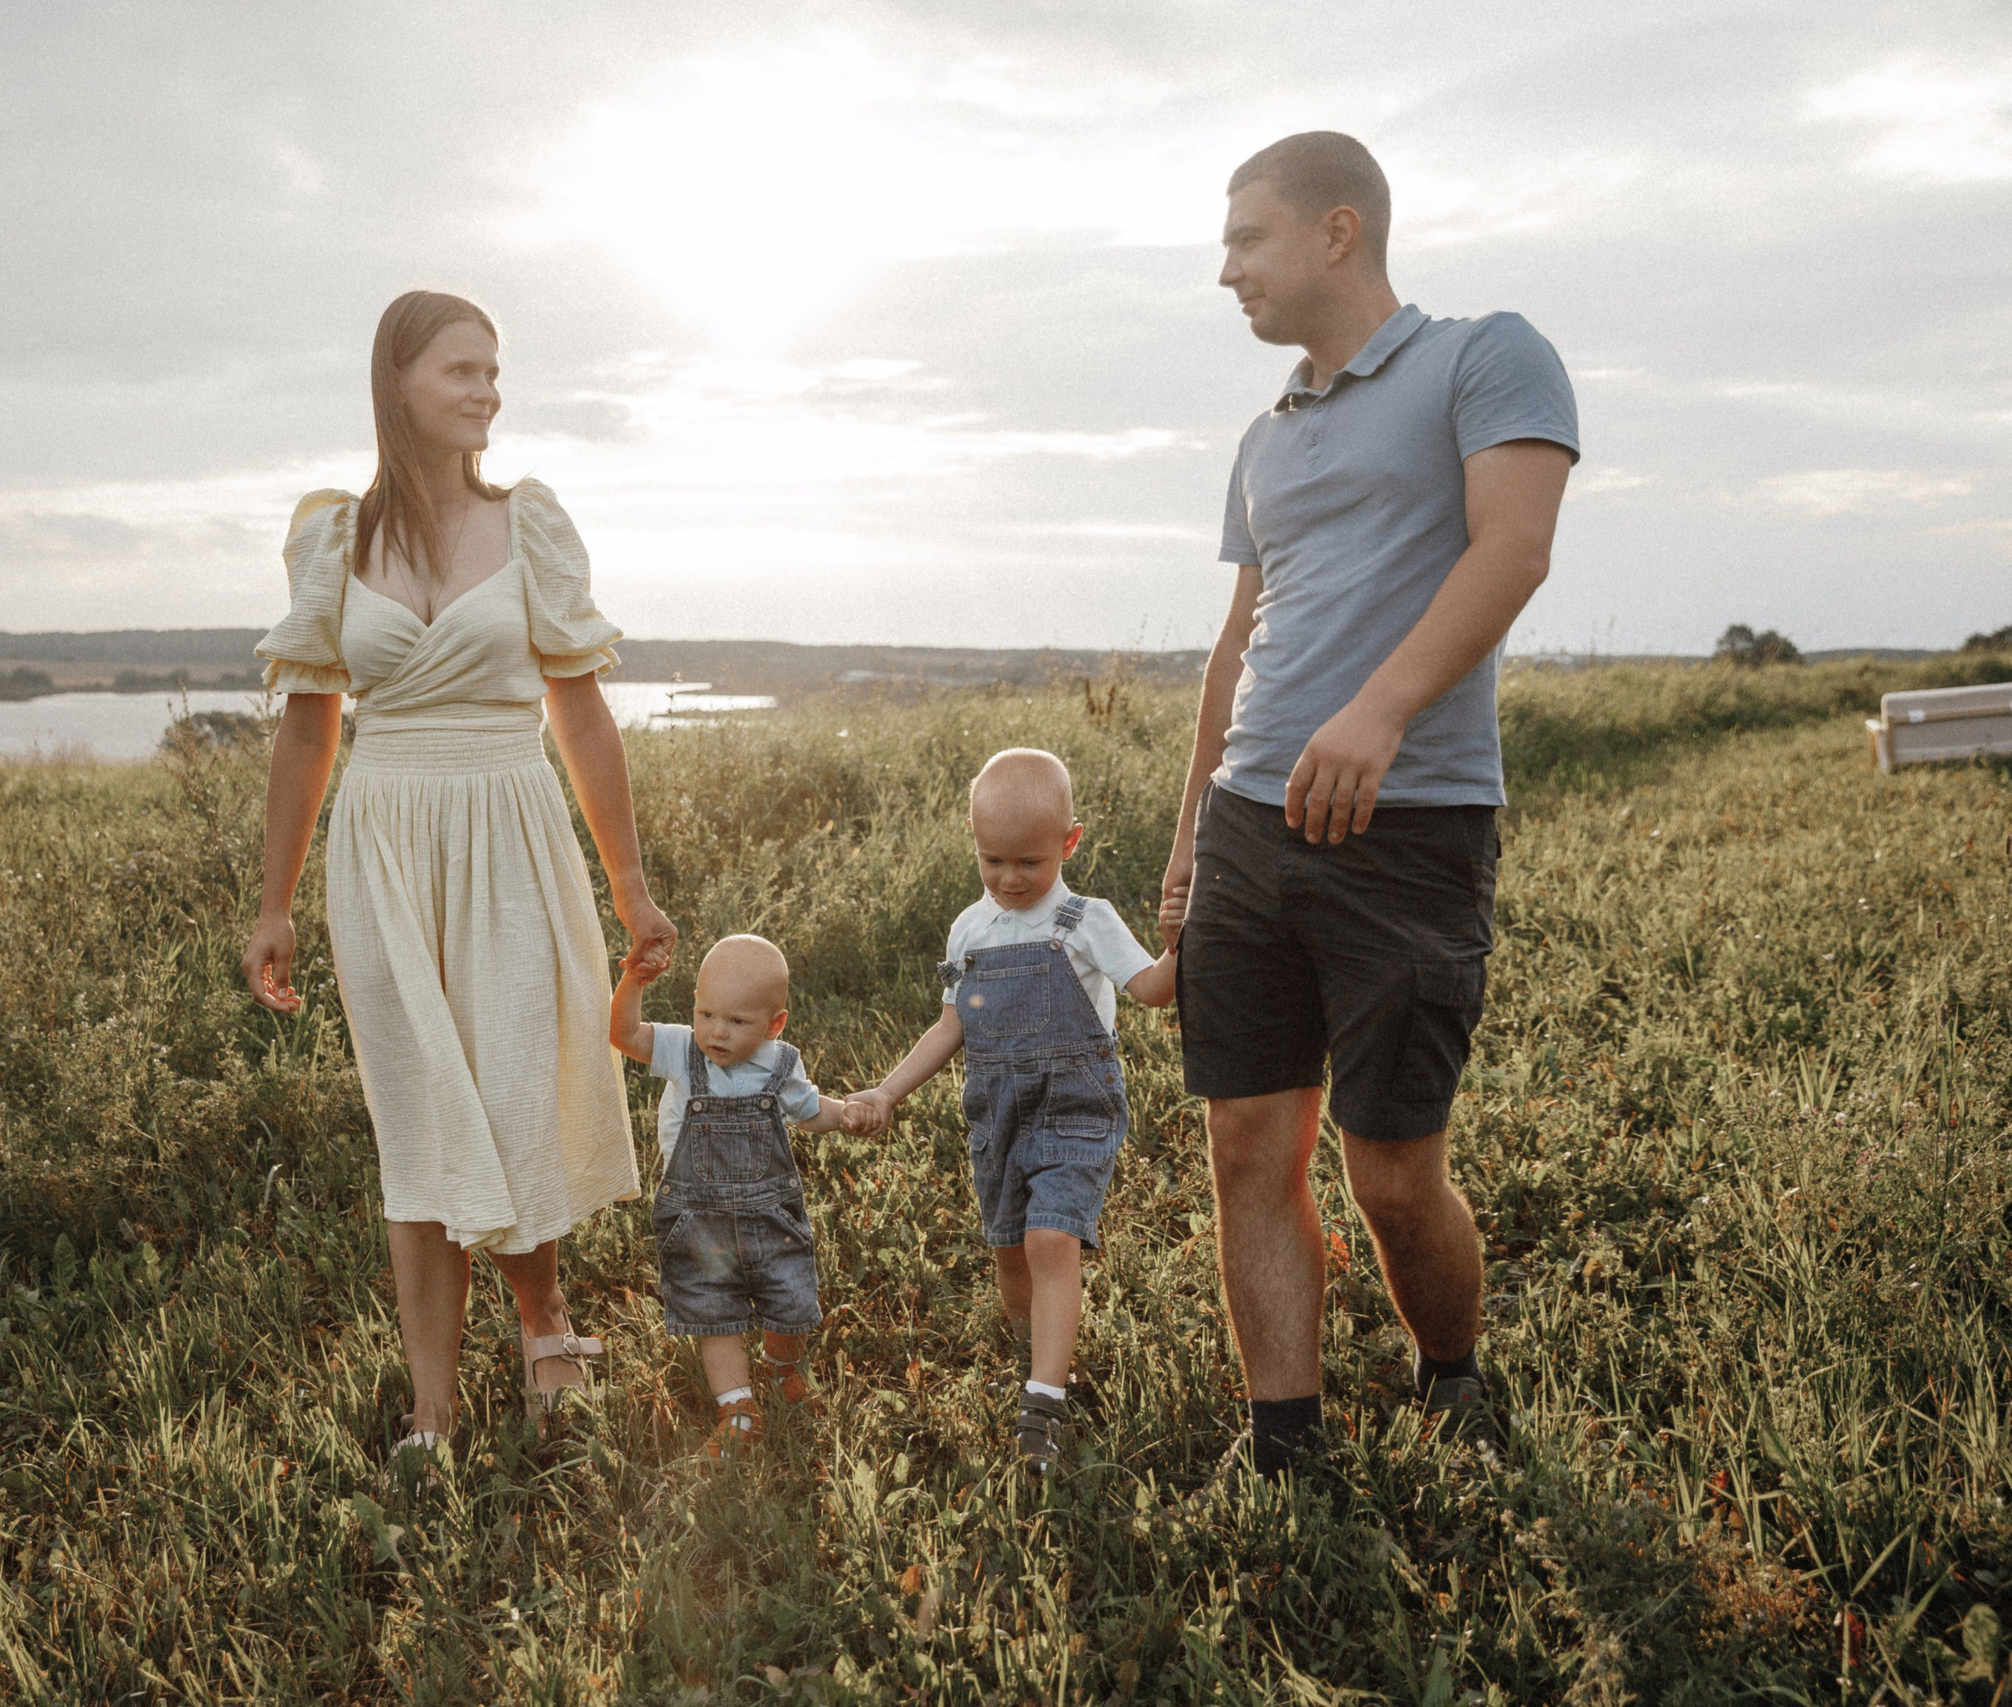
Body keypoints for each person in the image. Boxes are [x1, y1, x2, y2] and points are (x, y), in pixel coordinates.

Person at [1165, 132, 1579, 1489]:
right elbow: (1239, 644)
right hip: (1246, 830)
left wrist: (1382, 709)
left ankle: (1452, 1375)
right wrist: (1185, 853)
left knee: (1392, 1171)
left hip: (1410, 825)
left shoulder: (1486, 354)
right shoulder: (1259, 435)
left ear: (1338, 232)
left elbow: (1515, 544)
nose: (1225, 271)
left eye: (1247, 240)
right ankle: (1285, 1444)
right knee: (1244, 1143)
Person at [243, 290, 677, 1482]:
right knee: (422, 1117)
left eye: (495, 371)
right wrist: (274, 901)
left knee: (512, 1090)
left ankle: (545, 1325)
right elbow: (305, 734)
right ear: (398, 385)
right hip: (383, 840)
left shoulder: (528, 524)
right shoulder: (335, 538)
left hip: (510, 824)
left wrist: (630, 886)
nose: (488, 390)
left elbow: (580, 713)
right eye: (462, 371)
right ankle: (431, 1417)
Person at [851, 749, 1181, 1472]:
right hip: (996, 1113)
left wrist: (1180, 943)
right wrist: (885, 1090)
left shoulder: (1085, 919)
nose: (1008, 878)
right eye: (991, 859)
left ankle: (1042, 1414)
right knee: (1011, 1258)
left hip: (1073, 1108)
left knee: (1051, 1241)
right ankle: (1034, 1357)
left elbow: (1153, 988)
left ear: (1069, 842)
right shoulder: (971, 929)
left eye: (1027, 862)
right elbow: (950, 1027)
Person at [609, 935, 875, 1459]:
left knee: (788, 1302)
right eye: (706, 1013)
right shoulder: (683, 1051)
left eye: (736, 1021)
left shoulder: (779, 1065)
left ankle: (784, 1370)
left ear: (775, 1025)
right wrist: (632, 982)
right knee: (715, 1314)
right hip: (698, 1219)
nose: (716, 1032)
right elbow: (623, 1034)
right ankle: (737, 1407)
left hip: (770, 1214)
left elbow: (809, 1111)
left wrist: (845, 1114)